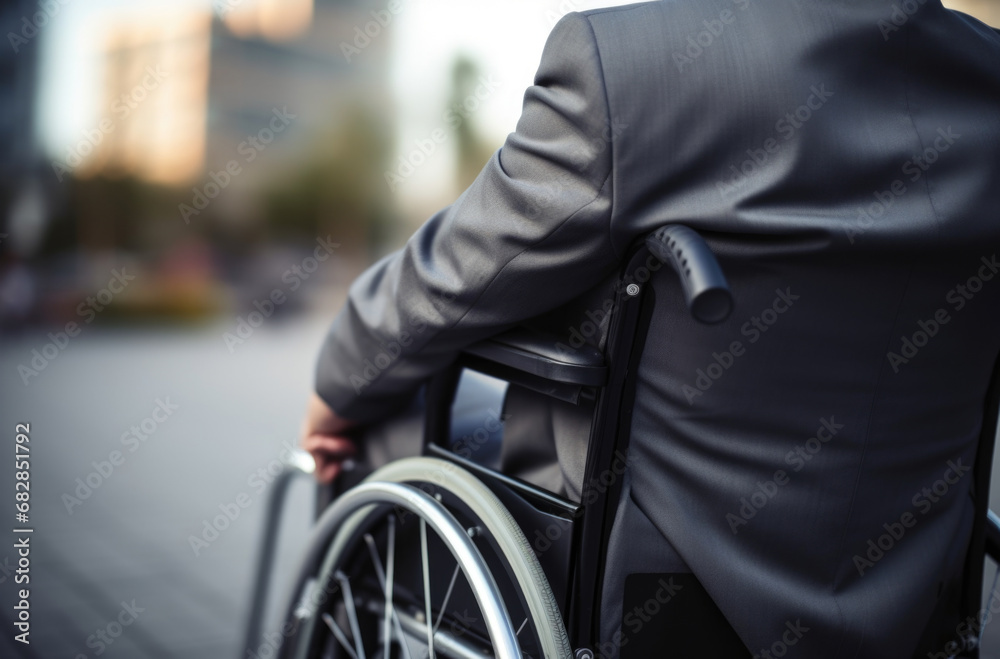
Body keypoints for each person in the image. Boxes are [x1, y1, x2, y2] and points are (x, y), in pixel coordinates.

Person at [300, 1, 1000, 656]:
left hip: (660, 588)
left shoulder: (631, 68)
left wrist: (339, 382)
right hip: (917, 585)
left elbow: (459, 273)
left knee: (374, 421)